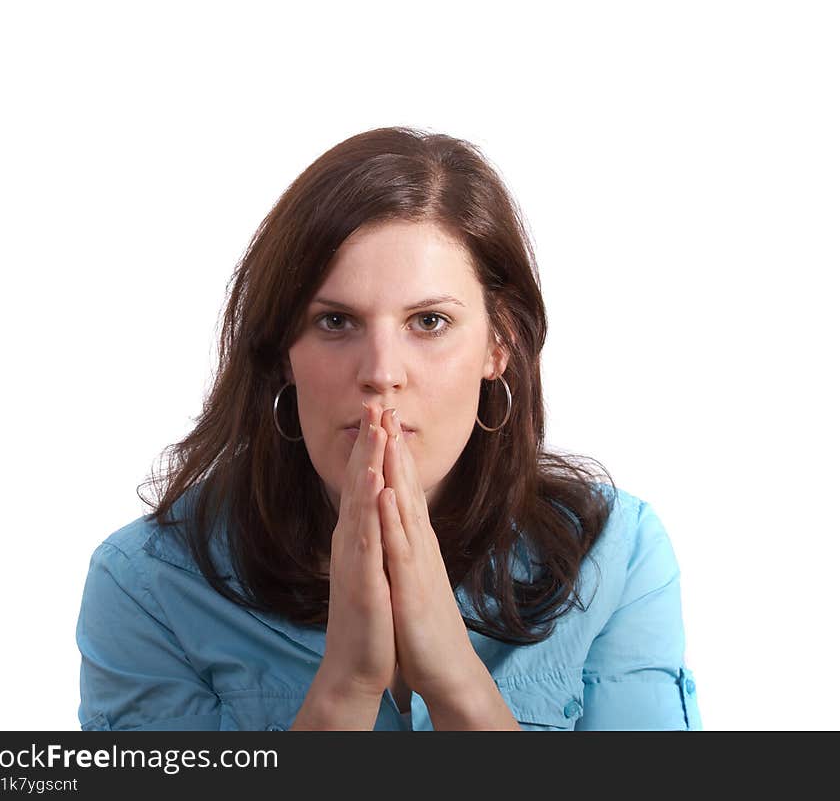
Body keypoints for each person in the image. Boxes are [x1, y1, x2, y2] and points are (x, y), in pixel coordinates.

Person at [75, 126, 702, 731]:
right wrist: (345, 686)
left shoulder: (619, 556)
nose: (380, 374)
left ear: (498, 344)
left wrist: (455, 680)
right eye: (336, 322)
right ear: (282, 353)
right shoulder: (147, 585)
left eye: (428, 322)